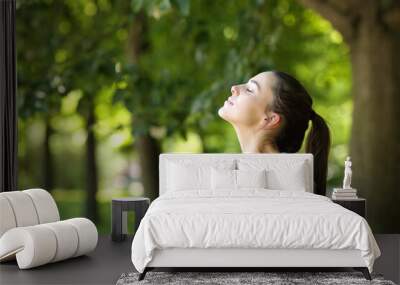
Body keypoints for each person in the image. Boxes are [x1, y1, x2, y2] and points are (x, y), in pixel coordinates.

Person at [218, 70, 331, 196]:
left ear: (271, 119)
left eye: (250, 89)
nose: (234, 88)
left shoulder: (283, 184)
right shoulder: (255, 173)